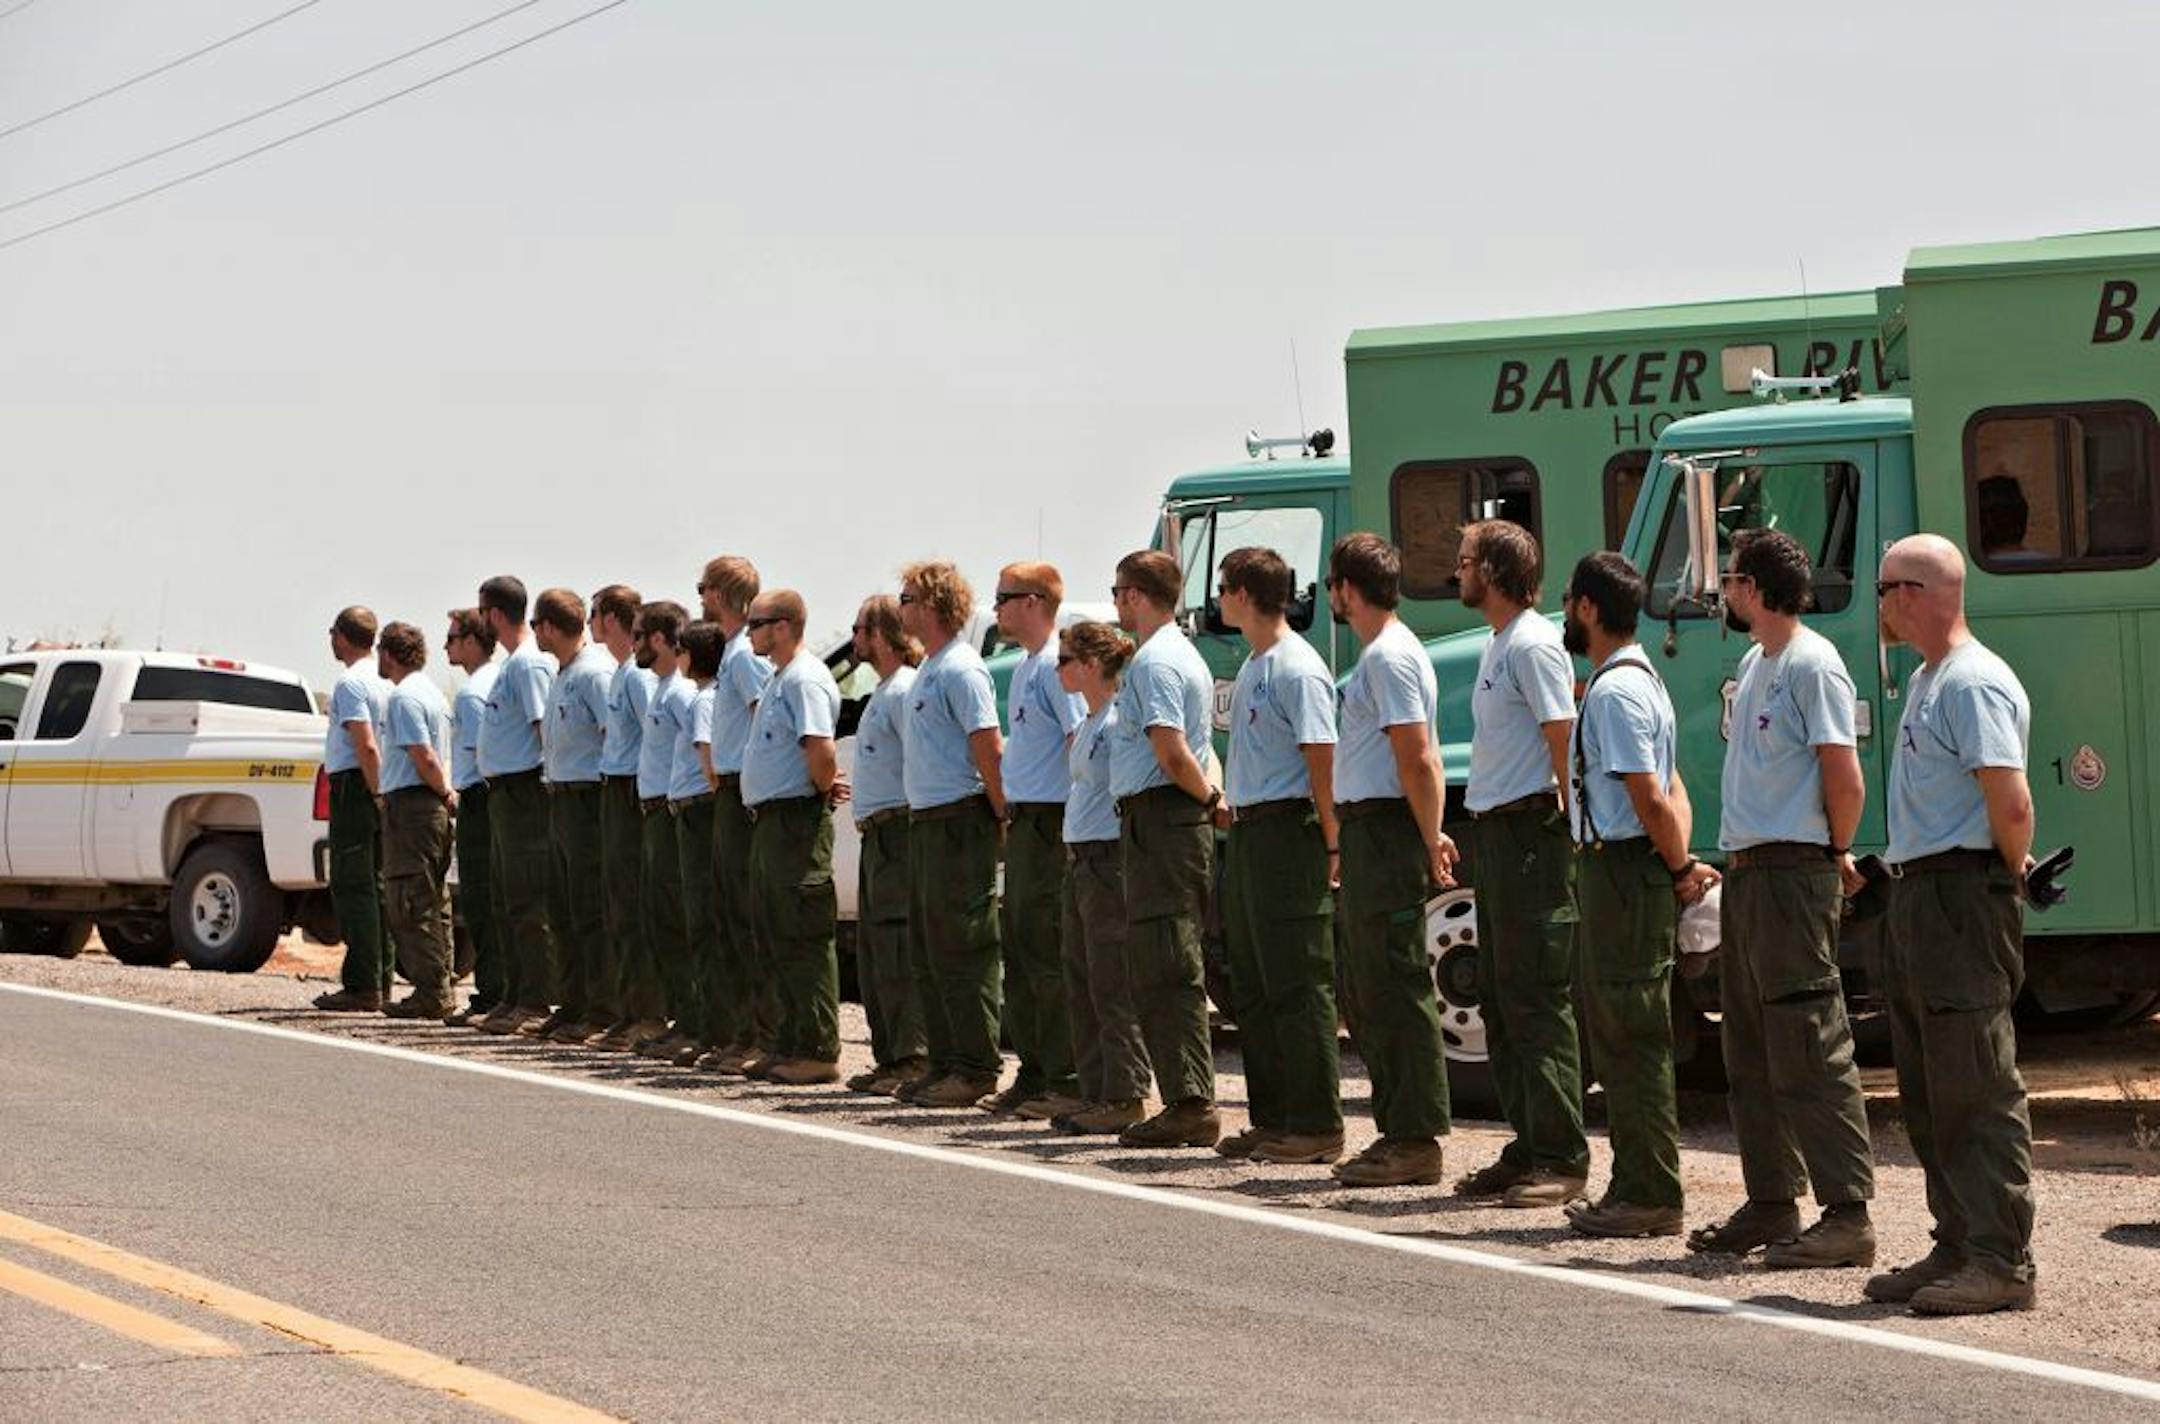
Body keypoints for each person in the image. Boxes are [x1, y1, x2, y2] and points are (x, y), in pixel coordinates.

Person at [1688, 528, 1878, 1267]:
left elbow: (1843, 772)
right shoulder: (1756, 661)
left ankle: (1847, 1212)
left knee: (1809, 1043)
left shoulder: (1812, 664)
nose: (1727, 591)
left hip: (1794, 870)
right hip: (1751, 873)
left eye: (1734, 579)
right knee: (1752, 1045)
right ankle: (1772, 1199)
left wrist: (1833, 852)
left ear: (1758, 590)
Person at [1865, 533, 2037, 1317]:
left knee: (1976, 1081)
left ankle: (2001, 1258)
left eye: (1882, 590)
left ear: (1911, 594)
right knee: (1932, 1085)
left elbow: (2011, 800)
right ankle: (1959, 1241)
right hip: (1920, 896)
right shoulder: (1931, 679)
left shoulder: (1971, 681)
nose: (1878, 607)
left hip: (1961, 895)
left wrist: (2007, 871)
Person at [1558, 552, 1715, 1238]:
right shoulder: (1638, 679)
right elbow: (1671, 786)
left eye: (1570, 602)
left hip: (1621, 871)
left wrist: (1680, 868)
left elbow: (1649, 796)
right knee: (1625, 1028)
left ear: (1590, 609)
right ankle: (1638, 1183)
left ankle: (1648, 1190)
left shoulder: (1617, 690)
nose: (1565, 614)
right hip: (1622, 866)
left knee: (1628, 1033)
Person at [1451, 520, 1590, 1207]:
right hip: (1498, 835)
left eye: (1467, 560)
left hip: (1531, 835)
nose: (1458, 571)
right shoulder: (1497, 644)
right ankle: (1528, 1142)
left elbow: (1561, 735)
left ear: (1497, 571)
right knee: (1501, 999)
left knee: (1536, 998)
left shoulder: (1533, 644)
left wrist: (1571, 825)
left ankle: (1562, 1155)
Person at [1326, 535, 1456, 1187]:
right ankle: (1398, 1129)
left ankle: (1414, 1138)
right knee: (1371, 983)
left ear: (1348, 588)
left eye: (1332, 586)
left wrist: (1430, 835)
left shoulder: (1390, 658)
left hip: (1386, 830)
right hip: (1368, 829)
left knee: (1395, 984)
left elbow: (1418, 755)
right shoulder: (1383, 656)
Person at [1212, 546, 1343, 1165]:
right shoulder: (1255, 665)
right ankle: (1276, 1117)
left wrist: (1332, 840)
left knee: (1297, 981)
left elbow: (1321, 756)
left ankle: (1317, 1122)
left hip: (1289, 831)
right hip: (1250, 832)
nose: (1217, 600)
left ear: (1243, 593)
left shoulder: (1296, 666)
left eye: (1222, 588)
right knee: (1256, 983)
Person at [1107, 549, 1220, 1149]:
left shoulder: (1155, 662)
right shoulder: (1178, 655)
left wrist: (1205, 798)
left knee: (1166, 962)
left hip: (1164, 818)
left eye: (1118, 591)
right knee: (1163, 958)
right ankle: (1185, 1097)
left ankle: (1191, 1101)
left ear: (1134, 595)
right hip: (1162, 817)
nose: (1115, 603)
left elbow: (1172, 751)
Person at [896, 560, 1007, 1108]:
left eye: (909, 597)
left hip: (958, 819)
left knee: (963, 946)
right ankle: (944, 1061)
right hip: (928, 821)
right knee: (930, 948)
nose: (901, 608)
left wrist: (1002, 813)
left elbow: (987, 746)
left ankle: (975, 1065)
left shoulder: (963, 668)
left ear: (935, 605)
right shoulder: (930, 668)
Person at [988, 561, 1085, 1119]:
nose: (997, 607)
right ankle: (1036, 1068)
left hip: (1052, 821)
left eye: (1005, 597)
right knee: (1022, 950)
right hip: (1026, 820)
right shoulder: (1027, 668)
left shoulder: (1055, 665)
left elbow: (1078, 741)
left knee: (1047, 950)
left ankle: (1064, 1073)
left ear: (1033, 601)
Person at [1049, 621, 1154, 1136]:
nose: (1059, 669)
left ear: (1090, 665)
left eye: (1065, 660)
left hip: (1106, 857)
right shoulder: (1091, 720)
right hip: (1081, 857)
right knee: (1082, 976)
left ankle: (1126, 1092)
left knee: (1111, 978)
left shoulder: (1115, 722)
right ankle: (1096, 1090)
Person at [739, 590, 846, 1085]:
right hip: (769, 822)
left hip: (794, 822)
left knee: (801, 934)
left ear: (781, 626)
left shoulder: (804, 678)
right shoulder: (780, 678)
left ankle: (817, 1047)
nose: (750, 632)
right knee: (773, 933)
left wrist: (822, 789)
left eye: (756, 624)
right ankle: (786, 1041)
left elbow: (820, 752)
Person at [845, 594, 931, 1094]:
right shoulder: (885, 690)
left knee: (898, 946)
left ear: (880, 635)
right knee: (877, 951)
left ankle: (912, 1055)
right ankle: (890, 1054)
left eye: (860, 629)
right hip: (877, 831)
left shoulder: (903, 691)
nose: (855, 639)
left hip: (899, 829)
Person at [700, 556, 776, 1072]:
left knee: (746, 919)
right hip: (726, 788)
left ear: (721, 594)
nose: (699, 596)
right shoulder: (732, 651)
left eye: (703, 587)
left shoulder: (746, 655)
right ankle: (743, 1031)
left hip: (740, 791)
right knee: (729, 915)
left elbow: (759, 720)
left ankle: (758, 1033)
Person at [474, 575, 558, 1035]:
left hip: (526, 792)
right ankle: (515, 995)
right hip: (505, 793)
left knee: (528, 900)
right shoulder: (512, 664)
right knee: (507, 898)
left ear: (494, 613)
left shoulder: (529, 665)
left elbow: (545, 731)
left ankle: (536, 1000)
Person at [588, 585, 668, 1050]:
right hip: (614, 786)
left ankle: (648, 1012)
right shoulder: (621, 673)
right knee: (617, 904)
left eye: (595, 614)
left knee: (634, 906)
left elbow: (652, 743)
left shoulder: (638, 680)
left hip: (632, 789)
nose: (591, 623)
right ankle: (628, 1009)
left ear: (612, 618)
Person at [533, 588, 614, 1044]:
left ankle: (602, 1007)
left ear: (548, 627)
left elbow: (613, 737)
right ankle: (575, 1002)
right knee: (563, 907)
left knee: (589, 907)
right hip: (560, 797)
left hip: (587, 799)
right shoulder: (562, 674)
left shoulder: (593, 674)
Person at [374, 622, 457, 1020]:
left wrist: (443, 792)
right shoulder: (433, 693)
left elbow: (422, 755)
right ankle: (441, 984)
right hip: (425, 807)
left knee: (410, 900)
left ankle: (431, 991)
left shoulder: (404, 696)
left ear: (388, 654)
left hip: (414, 806)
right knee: (433, 898)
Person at [313, 605, 393, 1013]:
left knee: (352, 884)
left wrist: (375, 792)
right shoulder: (386, 682)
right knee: (377, 888)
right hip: (378, 785)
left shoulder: (350, 684)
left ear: (343, 636)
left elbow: (365, 744)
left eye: (333, 632)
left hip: (356, 788)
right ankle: (380, 977)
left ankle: (362, 984)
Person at [631, 603, 698, 1063]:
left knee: (680, 921)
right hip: (653, 810)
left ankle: (693, 1019)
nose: (633, 644)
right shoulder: (660, 689)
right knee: (664, 921)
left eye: (639, 635)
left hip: (673, 812)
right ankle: (680, 1017)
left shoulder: (682, 693)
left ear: (657, 639)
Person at [673, 621, 731, 1064]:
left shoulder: (704, 700)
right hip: (690, 810)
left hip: (700, 810)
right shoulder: (701, 697)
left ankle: (712, 1027)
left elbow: (709, 764)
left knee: (705, 922)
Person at [441, 608, 500, 1027]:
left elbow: (484, 752)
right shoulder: (488, 682)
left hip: (481, 797)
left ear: (473, 642)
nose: (446, 645)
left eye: (453, 637)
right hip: (485, 796)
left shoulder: (473, 692)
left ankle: (492, 992)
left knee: (482, 898)